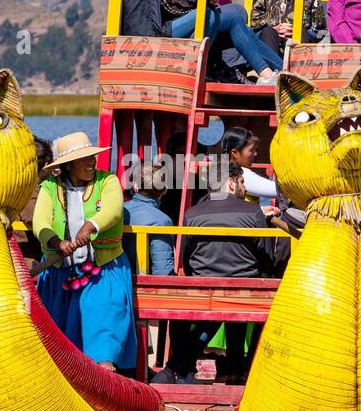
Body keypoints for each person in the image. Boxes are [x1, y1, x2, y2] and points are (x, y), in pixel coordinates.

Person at [152, 163, 286, 384]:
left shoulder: (192, 213)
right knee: (240, 298)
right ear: (231, 184)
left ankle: (175, 368)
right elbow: (264, 254)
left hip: (204, 285)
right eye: (242, 182)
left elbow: (186, 256)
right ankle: (237, 371)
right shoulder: (252, 211)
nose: (244, 187)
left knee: (219, 305)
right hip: (246, 287)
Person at [33, 131, 136, 372]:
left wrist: (90, 226)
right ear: (68, 166)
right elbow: (41, 222)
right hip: (60, 272)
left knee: (104, 327)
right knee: (57, 342)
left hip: (103, 270)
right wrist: (56, 242)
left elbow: (112, 209)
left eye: (91, 157)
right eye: (82, 160)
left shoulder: (107, 181)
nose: (90, 163)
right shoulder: (50, 187)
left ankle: (104, 375)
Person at [122, 164, 175, 276]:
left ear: (135, 186)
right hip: (142, 287)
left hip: (117, 279)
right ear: (165, 189)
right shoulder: (162, 221)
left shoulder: (117, 211)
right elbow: (162, 272)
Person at [14, 137, 56, 261]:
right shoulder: (29, 189)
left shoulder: (13, 185)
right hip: (27, 258)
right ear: (46, 166)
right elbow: (33, 216)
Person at [220, 125, 277, 200]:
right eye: (251, 150)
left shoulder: (220, 171)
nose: (255, 153)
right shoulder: (242, 175)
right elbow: (278, 191)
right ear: (234, 153)